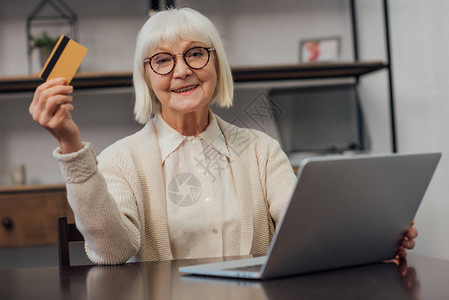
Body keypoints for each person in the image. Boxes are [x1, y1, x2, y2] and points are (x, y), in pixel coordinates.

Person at [29, 7, 417, 265]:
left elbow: (308, 223)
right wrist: (70, 146)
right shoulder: (120, 160)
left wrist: (368, 241)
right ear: (146, 78)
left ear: (216, 66)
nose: (181, 71)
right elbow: (114, 252)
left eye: (196, 53)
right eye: (162, 60)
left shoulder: (262, 150)